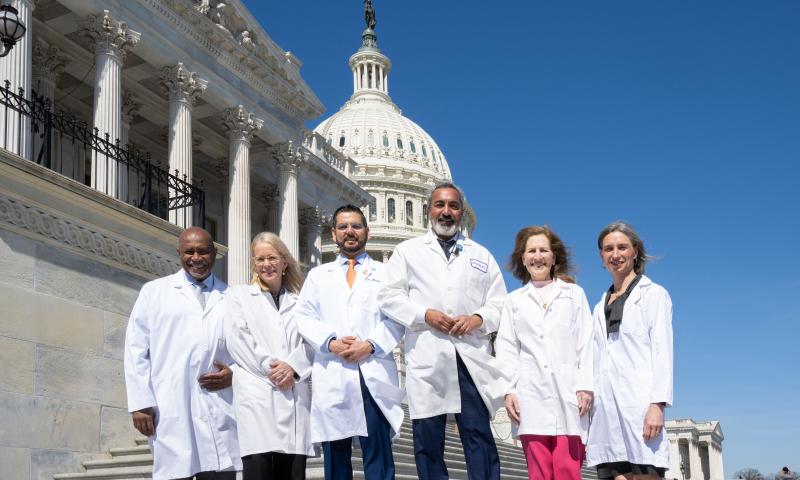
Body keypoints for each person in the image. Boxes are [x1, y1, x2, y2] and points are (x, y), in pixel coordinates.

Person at [379, 182, 512, 480]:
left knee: (479, 438)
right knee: (428, 441)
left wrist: (478, 318)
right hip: (428, 356)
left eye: (453, 206)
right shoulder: (407, 252)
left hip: (470, 359)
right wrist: (424, 314)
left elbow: (500, 303)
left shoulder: (481, 255)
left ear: (461, 213)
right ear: (428, 211)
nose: (446, 211)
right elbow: (388, 297)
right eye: (440, 205)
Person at [295, 205, 405, 480]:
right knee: (336, 458)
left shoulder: (387, 273)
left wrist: (369, 345)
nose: (350, 232)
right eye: (343, 227)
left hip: (372, 370)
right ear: (333, 233)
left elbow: (397, 318)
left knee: (378, 456)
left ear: (367, 231)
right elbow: (304, 316)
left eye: (356, 226)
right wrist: (330, 342)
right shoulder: (318, 276)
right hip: (334, 371)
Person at [124, 227, 240, 480]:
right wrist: (141, 403)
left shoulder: (232, 297)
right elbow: (135, 349)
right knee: (175, 470)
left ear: (215, 253)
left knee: (219, 471)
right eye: (189, 251)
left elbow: (247, 349)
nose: (196, 258)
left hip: (219, 405)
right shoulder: (154, 292)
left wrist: (236, 375)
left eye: (203, 251)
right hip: (171, 406)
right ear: (179, 253)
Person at [496, 226, 594, 480]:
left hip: (570, 396)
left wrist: (585, 386)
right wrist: (509, 390)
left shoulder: (574, 295)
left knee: (568, 472)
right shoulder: (514, 300)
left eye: (543, 250)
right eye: (531, 251)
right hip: (531, 398)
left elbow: (586, 342)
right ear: (523, 258)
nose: (537, 256)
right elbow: (506, 347)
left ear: (553, 257)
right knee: (538, 474)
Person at [586, 221, 674, 480]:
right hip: (605, 412)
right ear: (601, 256)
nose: (616, 254)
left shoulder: (654, 295)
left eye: (622, 247)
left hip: (639, 406)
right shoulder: (598, 305)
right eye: (608, 248)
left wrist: (657, 404)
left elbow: (662, 352)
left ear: (635, 251)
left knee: (645, 471)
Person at [225, 232, 313, 479]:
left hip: (294, 396)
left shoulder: (300, 302)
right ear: (253, 263)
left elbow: (312, 342)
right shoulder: (238, 296)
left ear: (284, 262)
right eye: (260, 259)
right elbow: (238, 340)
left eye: (272, 258)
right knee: (259, 471)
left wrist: (293, 368)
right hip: (257, 395)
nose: (266, 265)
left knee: (292, 473)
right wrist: (273, 369)